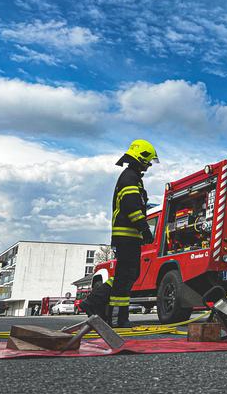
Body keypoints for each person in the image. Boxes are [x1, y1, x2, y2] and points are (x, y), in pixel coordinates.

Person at [79, 139, 158, 328]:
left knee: (128, 275)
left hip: (128, 237)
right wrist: (144, 227)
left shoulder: (131, 177)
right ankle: (117, 318)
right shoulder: (130, 177)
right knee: (126, 276)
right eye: (148, 161)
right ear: (141, 158)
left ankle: (94, 302)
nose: (149, 165)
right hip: (127, 236)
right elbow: (131, 205)